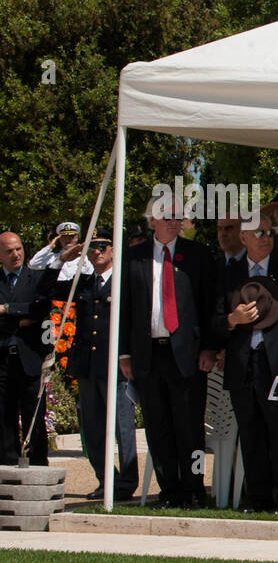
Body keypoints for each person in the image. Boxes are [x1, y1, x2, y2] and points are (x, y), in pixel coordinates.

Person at [118, 196, 218, 506]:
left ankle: (194, 488)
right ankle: (169, 490)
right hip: (148, 354)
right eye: (166, 216)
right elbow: (123, 309)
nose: (173, 221)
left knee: (191, 429)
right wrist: (124, 354)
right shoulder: (133, 258)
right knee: (158, 427)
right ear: (152, 220)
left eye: (178, 216)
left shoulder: (198, 255)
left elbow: (210, 305)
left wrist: (210, 347)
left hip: (187, 355)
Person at [213, 212, 278, 513]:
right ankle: (258, 499)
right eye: (259, 233)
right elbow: (213, 322)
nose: (266, 237)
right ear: (243, 238)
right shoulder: (228, 273)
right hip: (243, 363)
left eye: (270, 232)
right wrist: (233, 319)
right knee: (250, 432)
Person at [66, 231, 138, 500]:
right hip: (87, 365)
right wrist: (66, 256)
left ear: (113, 249)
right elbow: (47, 286)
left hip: (115, 365)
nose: (97, 252)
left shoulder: (123, 282)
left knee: (123, 428)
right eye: (92, 248)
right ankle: (106, 479)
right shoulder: (83, 283)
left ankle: (126, 482)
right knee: (93, 428)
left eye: (102, 247)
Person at [0, 232, 56, 465]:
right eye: (9, 251)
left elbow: (40, 308)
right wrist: (21, 317)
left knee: (34, 416)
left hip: (30, 357)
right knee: (4, 416)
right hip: (3, 359)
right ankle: (7, 465)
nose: (16, 254)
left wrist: (6, 309)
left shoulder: (36, 278)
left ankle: (38, 465)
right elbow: (28, 314)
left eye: (19, 249)